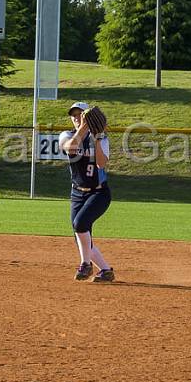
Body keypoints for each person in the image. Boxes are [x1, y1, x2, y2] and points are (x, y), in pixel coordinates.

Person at [60, 102, 115, 282]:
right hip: (77, 193)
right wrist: (83, 127)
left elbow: (101, 163)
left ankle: (85, 265)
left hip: (99, 193)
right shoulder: (66, 135)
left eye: (80, 114)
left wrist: (97, 138)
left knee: (80, 224)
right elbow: (70, 148)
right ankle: (106, 270)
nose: (76, 117)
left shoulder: (101, 138)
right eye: (73, 115)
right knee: (81, 235)